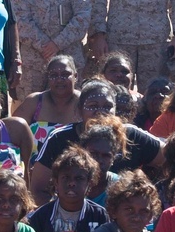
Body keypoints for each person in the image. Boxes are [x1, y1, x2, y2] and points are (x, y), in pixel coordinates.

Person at [28, 78, 164, 203]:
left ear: (115, 110)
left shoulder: (131, 135)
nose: (100, 112)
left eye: (107, 106)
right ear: (79, 110)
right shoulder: (59, 138)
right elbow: (38, 189)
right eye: (93, 106)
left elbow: (172, 155)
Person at [18, 55, 86, 147]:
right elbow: (12, 131)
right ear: (47, 77)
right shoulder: (34, 101)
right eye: (54, 75)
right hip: (34, 161)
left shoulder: (85, 102)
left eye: (65, 74)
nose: (59, 80)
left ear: (76, 76)